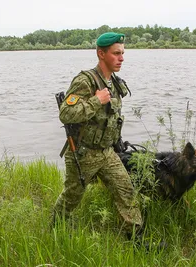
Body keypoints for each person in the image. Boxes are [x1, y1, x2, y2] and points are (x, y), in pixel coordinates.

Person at [53, 32, 144, 244]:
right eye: (116, 53)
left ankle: (137, 240)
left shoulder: (114, 82)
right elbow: (66, 113)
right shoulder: (85, 81)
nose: (121, 58)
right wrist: (96, 101)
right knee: (72, 197)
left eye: (122, 53)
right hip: (84, 153)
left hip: (107, 152)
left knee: (126, 192)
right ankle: (55, 231)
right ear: (101, 54)